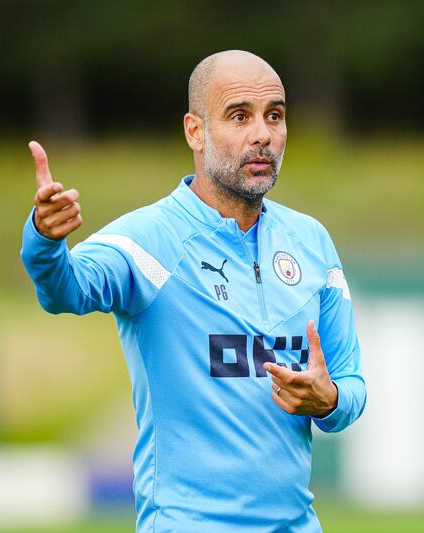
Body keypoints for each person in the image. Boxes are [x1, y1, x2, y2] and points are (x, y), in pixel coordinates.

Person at [20, 50, 366, 532]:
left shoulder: (310, 241)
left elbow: (351, 385)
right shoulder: (148, 239)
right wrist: (45, 240)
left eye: (275, 116)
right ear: (195, 131)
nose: (262, 134)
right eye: (239, 116)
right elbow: (66, 290)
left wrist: (328, 400)